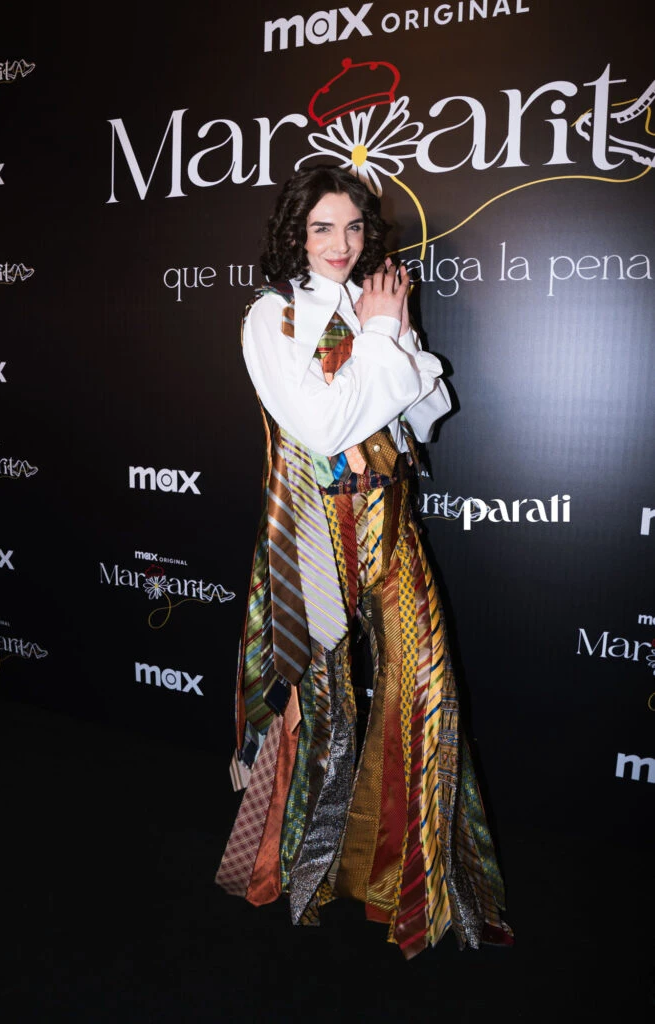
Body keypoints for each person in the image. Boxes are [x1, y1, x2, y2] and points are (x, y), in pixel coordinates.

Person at [215, 164, 512, 959]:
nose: (340, 243)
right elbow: (321, 426)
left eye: (353, 227)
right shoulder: (272, 315)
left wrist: (396, 333)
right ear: (296, 233)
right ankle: (290, 871)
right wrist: (382, 339)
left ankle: (406, 884)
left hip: (388, 517)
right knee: (321, 708)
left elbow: (424, 417)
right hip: (312, 533)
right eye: (323, 227)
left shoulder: (372, 303)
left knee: (427, 687)